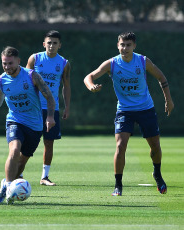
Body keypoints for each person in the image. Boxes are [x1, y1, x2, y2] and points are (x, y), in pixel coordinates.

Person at [83, 31, 174, 196]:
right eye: (122, 45)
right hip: (124, 110)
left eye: (128, 45)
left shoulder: (142, 61)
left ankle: (157, 174)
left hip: (146, 109)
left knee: (155, 146)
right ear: (118, 45)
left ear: (134, 46)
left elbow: (162, 78)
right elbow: (89, 76)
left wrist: (169, 100)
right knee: (120, 145)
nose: (124, 48)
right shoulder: (111, 64)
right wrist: (91, 86)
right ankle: (118, 184)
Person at [0, 46, 56, 204]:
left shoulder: (32, 76)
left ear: (18, 61)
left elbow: (49, 97)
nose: (7, 67)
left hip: (35, 125)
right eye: (4, 63)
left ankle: (5, 184)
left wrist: (49, 116)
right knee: (14, 150)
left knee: (21, 163)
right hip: (15, 120)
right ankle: (8, 188)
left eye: (10, 63)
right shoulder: (1, 80)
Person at [26, 30, 71, 186]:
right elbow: (25, 80)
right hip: (33, 108)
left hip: (52, 109)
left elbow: (66, 86)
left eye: (55, 43)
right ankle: (18, 174)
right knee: (25, 140)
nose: (52, 45)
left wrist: (66, 107)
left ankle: (44, 177)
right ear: (44, 44)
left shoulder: (64, 63)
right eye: (49, 42)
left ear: (60, 45)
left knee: (49, 142)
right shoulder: (35, 58)